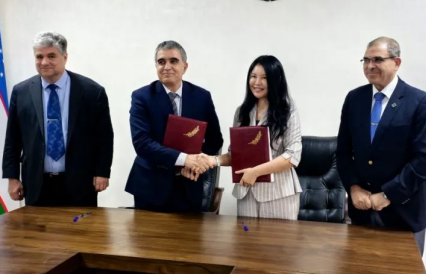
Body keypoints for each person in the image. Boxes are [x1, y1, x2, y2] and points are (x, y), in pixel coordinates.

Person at [336, 37, 426, 256]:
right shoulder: (354, 99)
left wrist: (387, 194)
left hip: (404, 212)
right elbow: (343, 151)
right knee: (359, 272)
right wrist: (353, 187)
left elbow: (425, 161)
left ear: (396, 62)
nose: (369, 66)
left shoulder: (420, 102)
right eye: (366, 60)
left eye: (377, 60)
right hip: (362, 210)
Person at [2, 31, 114, 206]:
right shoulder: (21, 92)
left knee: (81, 224)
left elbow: (104, 137)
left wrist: (102, 172)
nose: (44, 62)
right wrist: (12, 177)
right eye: (39, 57)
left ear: (65, 57)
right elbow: (12, 138)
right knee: (36, 225)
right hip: (36, 183)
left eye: (51, 56)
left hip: (80, 182)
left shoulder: (92, 91)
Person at [185, 55, 302, 220]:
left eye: (264, 78)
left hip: (279, 194)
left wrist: (256, 172)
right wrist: (213, 160)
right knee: (245, 237)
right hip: (246, 192)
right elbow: (235, 155)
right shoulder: (242, 112)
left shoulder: (288, 111)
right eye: (253, 76)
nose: (257, 82)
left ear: (277, 80)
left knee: (278, 238)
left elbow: (292, 156)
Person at [125, 40, 223, 212]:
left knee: (189, 231)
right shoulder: (142, 97)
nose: (167, 67)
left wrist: (196, 165)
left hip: (189, 184)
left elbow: (215, 140)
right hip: (151, 186)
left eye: (173, 61)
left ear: (185, 66)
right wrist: (185, 159)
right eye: (161, 62)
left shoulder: (202, 97)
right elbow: (142, 143)